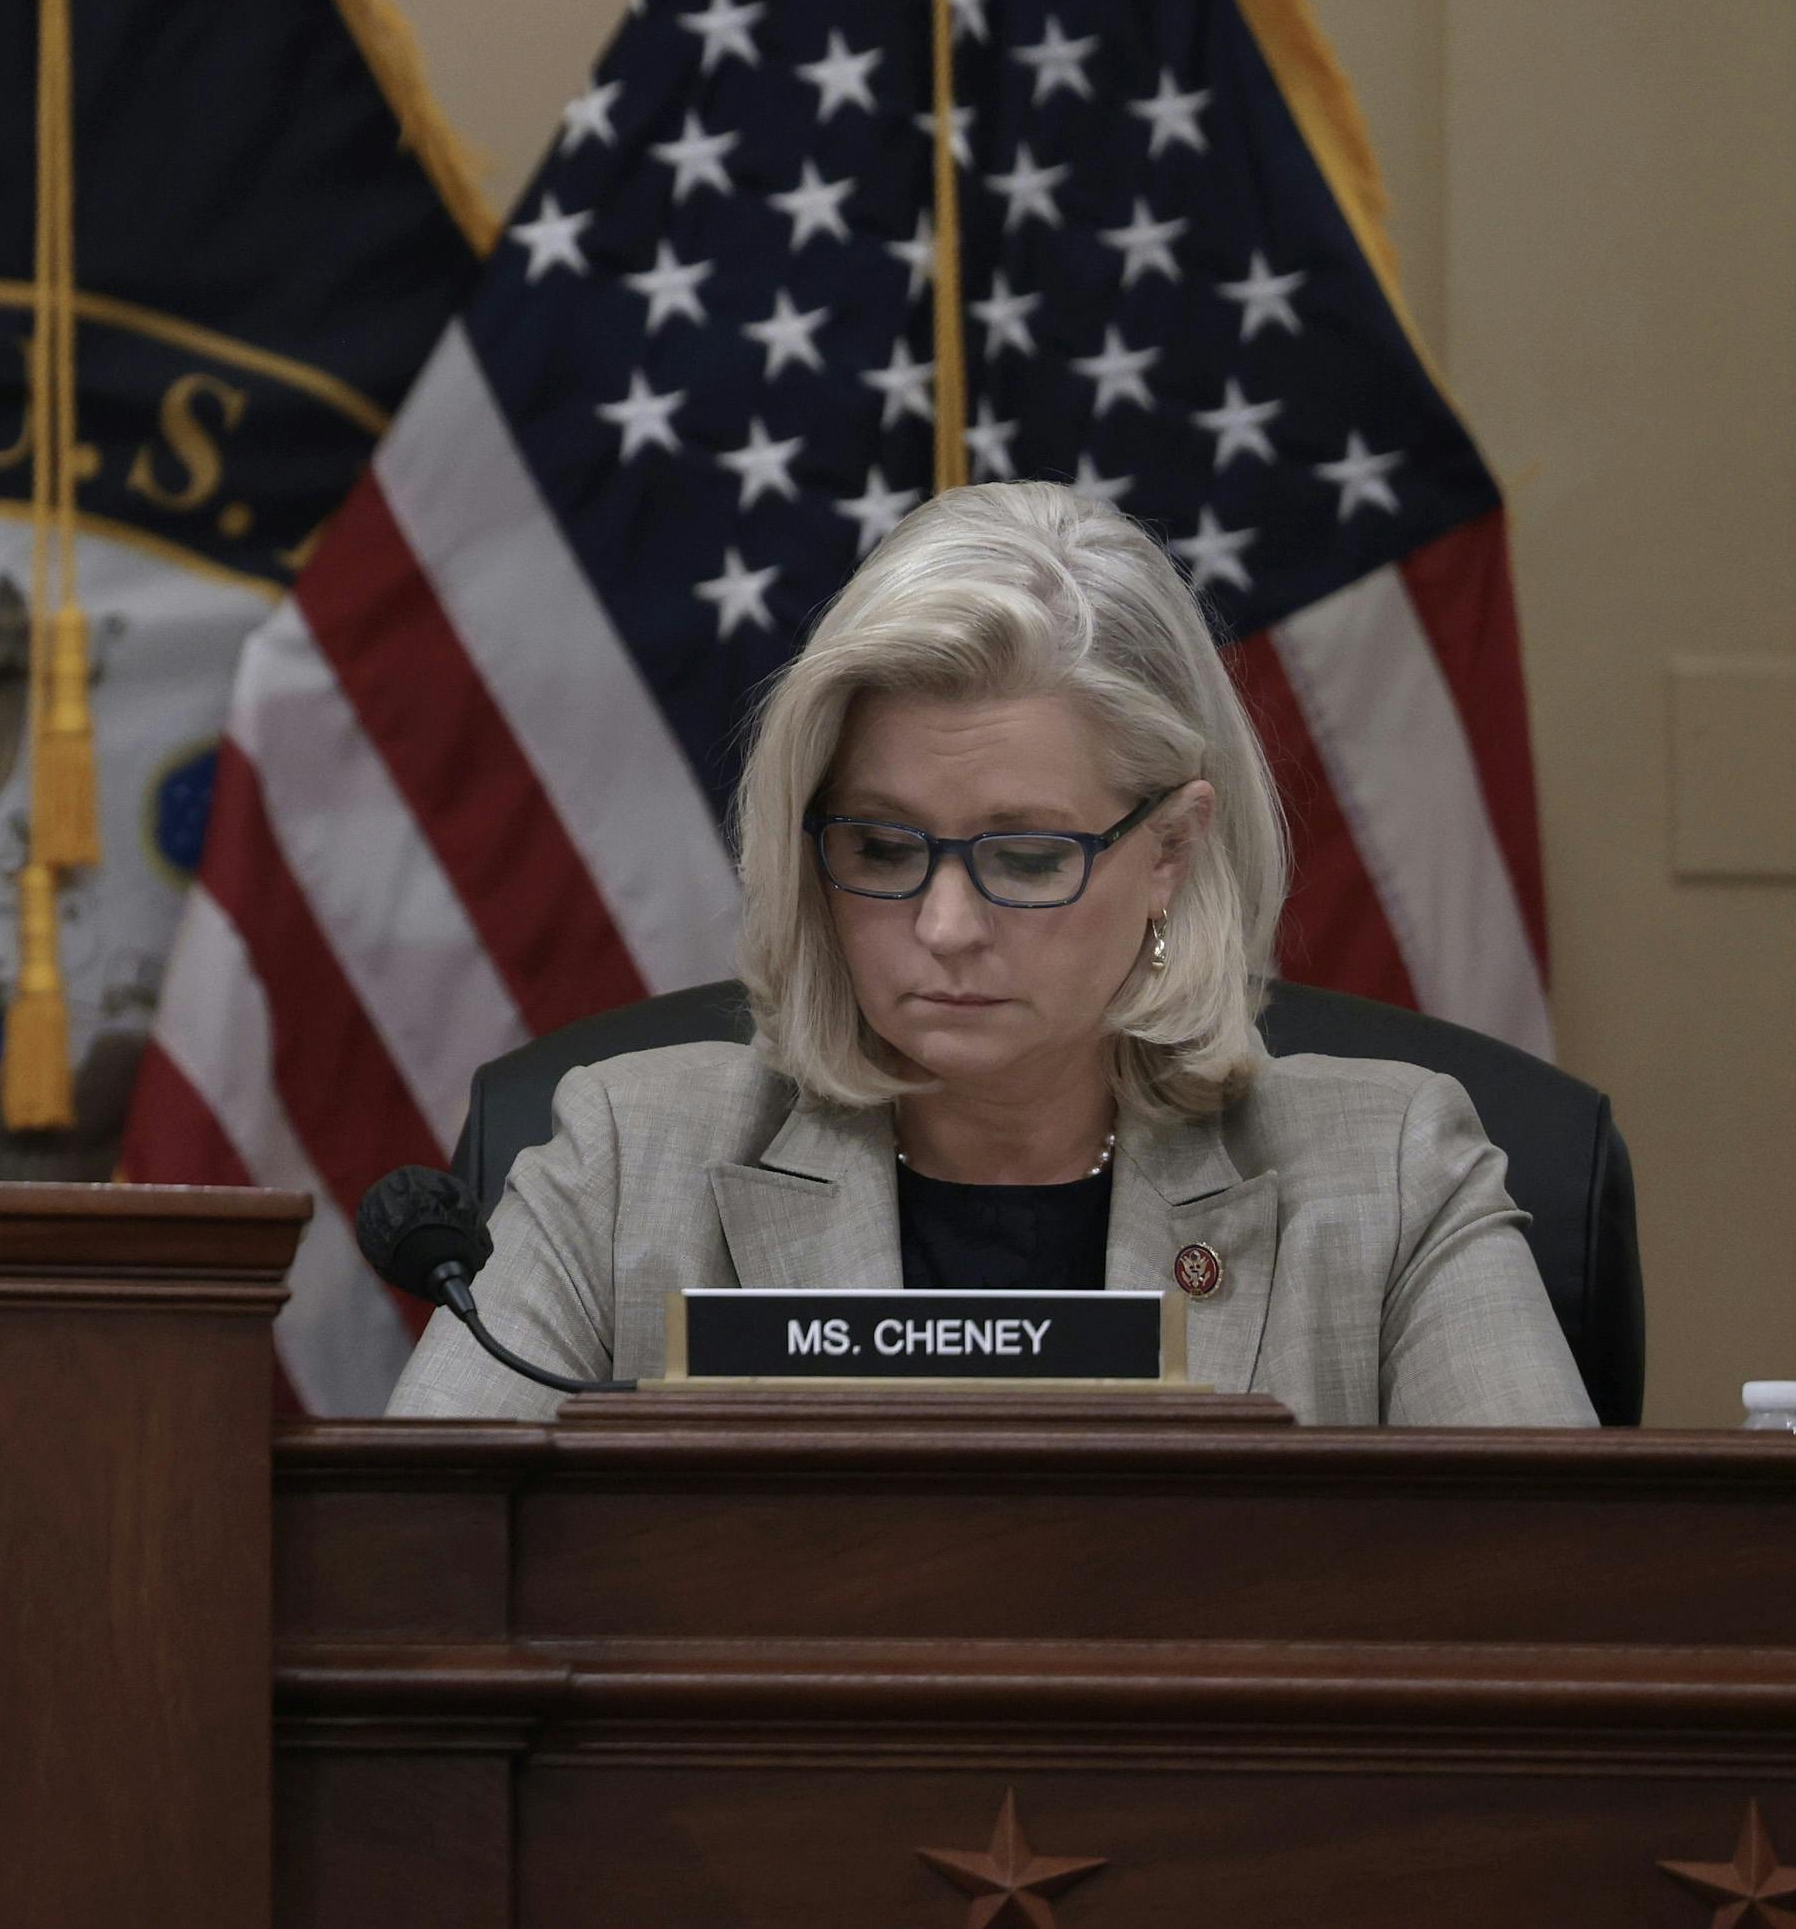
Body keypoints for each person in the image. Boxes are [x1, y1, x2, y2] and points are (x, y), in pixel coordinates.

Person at [390, 481, 1588, 1425]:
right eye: (882, 843)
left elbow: (1555, 1633)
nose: (945, 925)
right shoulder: (620, 1163)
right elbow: (416, 1588)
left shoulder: (1389, 1181)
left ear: (1171, 847)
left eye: (1022, 858)